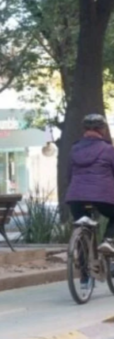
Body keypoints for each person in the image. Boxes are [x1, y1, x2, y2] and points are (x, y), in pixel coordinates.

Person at [65, 113, 114, 288]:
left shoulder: (74, 149)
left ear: (84, 129)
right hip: (102, 196)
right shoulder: (109, 150)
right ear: (102, 130)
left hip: (76, 196)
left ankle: (85, 279)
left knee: (82, 228)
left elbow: (69, 175)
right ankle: (108, 241)